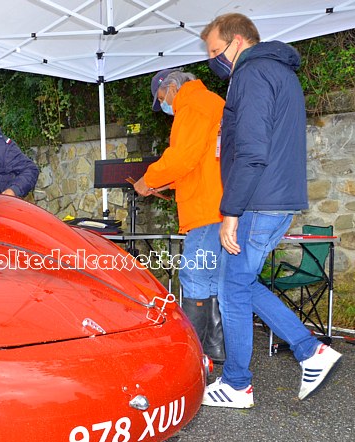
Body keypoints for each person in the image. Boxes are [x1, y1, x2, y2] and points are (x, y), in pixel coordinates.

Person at [200, 13, 341, 408]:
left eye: (215, 51)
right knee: (242, 283)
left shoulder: (252, 74)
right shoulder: (279, 73)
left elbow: (253, 152)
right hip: (275, 200)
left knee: (231, 289)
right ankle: (309, 350)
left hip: (257, 203)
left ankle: (238, 383)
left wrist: (231, 210)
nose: (213, 59)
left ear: (238, 41)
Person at [133, 69, 225, 363]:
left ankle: (192, 352)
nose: (163, 108)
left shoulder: (192, 105)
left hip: (206, 206)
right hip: (220, 202)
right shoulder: (212, 102)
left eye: (161, 99)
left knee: (195, 274)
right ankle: (215, 348)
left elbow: (183, 156)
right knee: (212, 278)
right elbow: (199, 161)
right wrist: (160, 183)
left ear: (172, 87)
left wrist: (148, 179)